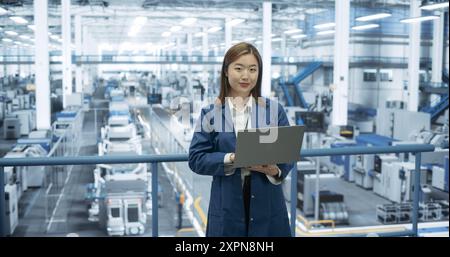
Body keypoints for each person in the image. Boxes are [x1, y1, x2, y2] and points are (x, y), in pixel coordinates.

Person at [188, 42, 293, 237]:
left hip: (267, 203)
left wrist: (274, 170)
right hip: (228, 204)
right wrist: (232, 158)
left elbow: (287, 157)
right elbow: (196, 158)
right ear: (226, 72)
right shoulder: (211, 114)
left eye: (253, 70)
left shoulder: (274, 111)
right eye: (239, 68)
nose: (246, 76)